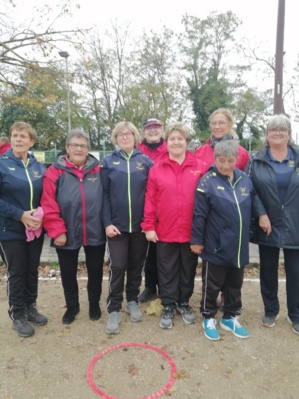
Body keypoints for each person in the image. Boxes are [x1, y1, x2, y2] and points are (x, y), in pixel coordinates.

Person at [141, 122, 208, 329]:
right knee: (167, 270)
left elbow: (207, 201)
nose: (176, 142)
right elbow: (150, 199)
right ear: (167, 142)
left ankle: (184, 302)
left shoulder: (200, 167)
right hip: (165, 231)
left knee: (187, 269)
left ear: (186, 141)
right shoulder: (157, 168)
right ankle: (168, 304)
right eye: (172, 139)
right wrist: (149, 226)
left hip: (191, 231)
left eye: (180, 138)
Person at [41, 129, 106, 325]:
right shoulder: (54, 171)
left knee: (95, 270)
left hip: (95, 230)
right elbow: (48, 202)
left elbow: (107, 198)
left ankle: (94, 304)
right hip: (65, 232)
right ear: (67, 148)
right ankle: (72, 306)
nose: (79, 149)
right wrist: (57, 230)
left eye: (83, 146)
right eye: (75, 145)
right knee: (68, 272)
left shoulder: (99, 170)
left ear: (88, 149)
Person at [191, 140, 251, 340]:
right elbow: (199, 215)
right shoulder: (207, 181)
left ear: (237, 159)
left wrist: (262, 215)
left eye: (230, 161)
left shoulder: (244, 179)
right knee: (212, 284)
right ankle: (208, 316)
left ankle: (230, 316)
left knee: (235, 283)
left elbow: (255, 202)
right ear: (215, 158)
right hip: (215, 247)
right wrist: (196, 240)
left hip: (239, 246)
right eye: (221, 160)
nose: (225, 165)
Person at [247, 114, 299, 335]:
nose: (277, 133)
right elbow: (250, 189)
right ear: (267, 135)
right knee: (268, 270)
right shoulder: (256, 160)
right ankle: (271, 310)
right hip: (267, 223)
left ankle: (295, 314)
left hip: (295, 223)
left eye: (282, 129)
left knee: (295, 272)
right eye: (273, 130)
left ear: (289, 133)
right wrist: (261, 213)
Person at [194, 108, 250, 309]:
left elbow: (244, 185)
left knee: (231, 266)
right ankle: (209, 305)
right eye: (214, 123)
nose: (217, 127)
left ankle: (228, 301)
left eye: (221, 123)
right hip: (209, 213)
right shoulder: (200, 151)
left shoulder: (241, 153)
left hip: (231, 218)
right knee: (213, 265)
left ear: (230, 125)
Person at [101, 121, 153, 335]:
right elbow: (103, 194)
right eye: (120, 134)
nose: (124, 137)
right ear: (115, 138)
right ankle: (114, 307)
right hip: (117, 227)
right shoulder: (108, 161)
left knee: (135, 266)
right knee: (118, 266)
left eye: (128, 134)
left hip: (140, 227)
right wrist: (107, 222)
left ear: (135, 137)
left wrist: (148, 222)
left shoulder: (146, 162)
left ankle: (132, 300)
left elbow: (152, 194)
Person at [0, 122, 47, 338]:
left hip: (35, 230)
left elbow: (46, 196)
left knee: (31, 268)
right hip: (10, 229)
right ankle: (17, 314)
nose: (18, 139)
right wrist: (20, 215)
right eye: (15, 135)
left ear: (32, 141)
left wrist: (41, 215)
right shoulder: (2, 164)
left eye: (23, 136)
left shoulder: (39, 167)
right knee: (17, 272)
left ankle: (30, 307)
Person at [138, 117, 168, 303]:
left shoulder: (170, 149)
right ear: (143, 132)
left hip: (165, 210)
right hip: (143, 209)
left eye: (156, 127)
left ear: (161, 130)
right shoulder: (136, 151)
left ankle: (166, 288)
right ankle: (149, 287)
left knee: (164, 254)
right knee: (147, 254)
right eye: (149, 127)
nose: (152, 130)